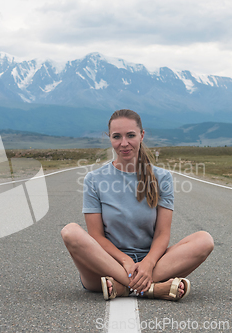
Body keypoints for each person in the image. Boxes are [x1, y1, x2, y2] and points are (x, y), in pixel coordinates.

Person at [61, 109, 214, 301]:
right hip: (104, 267)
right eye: (117, 136)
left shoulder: (162, 178)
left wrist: (148, 263)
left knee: (204, 240)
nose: (124, 143)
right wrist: (125, 261)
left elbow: (162, 233)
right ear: (109, 138)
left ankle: (124, 287)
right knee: (70, 232)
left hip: (152, 266)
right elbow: (96, 236)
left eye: (130, 135)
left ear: (142, 135)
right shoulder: (94, 179)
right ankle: (150, 289)